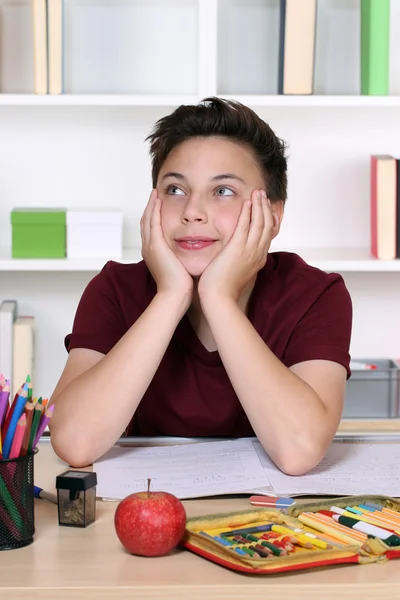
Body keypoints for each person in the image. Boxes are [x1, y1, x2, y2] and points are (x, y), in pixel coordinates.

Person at [49, 97, 352, 474]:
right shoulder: (114, 288)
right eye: (175, 189)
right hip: (148, 496)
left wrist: (218, 297)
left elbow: (299, 451)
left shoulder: (316, 294)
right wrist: (171, 295)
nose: (192, 211)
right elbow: (75, 443)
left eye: (223, 190)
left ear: (273, 215)